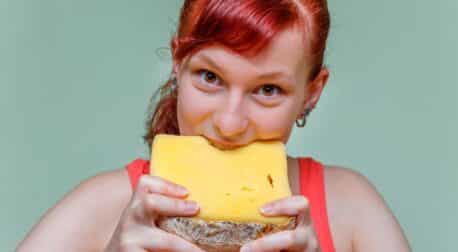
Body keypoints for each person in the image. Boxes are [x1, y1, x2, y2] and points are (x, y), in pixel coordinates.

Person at [17, 0, 411, 251]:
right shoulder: (104, 207)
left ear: (311, 92)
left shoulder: (353, 208)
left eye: (268, 89)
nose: (229, 122)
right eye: (209, 77)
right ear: (178, 62)